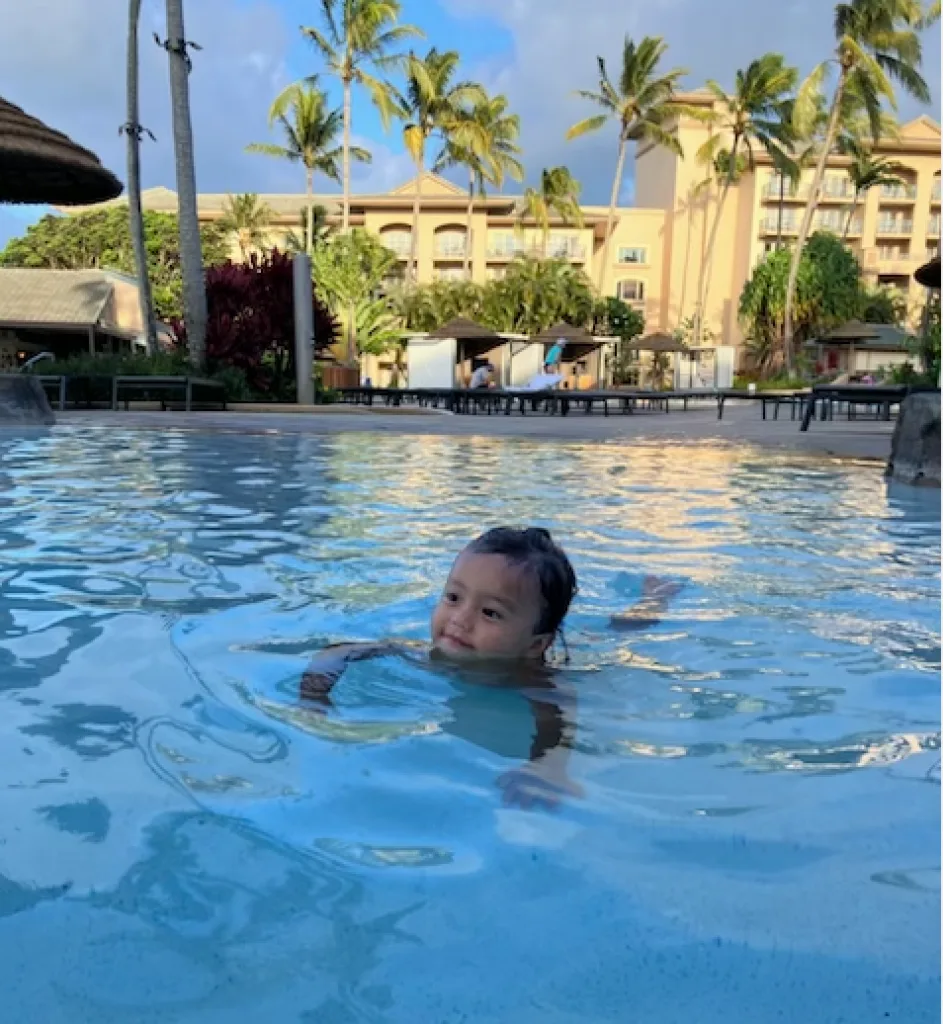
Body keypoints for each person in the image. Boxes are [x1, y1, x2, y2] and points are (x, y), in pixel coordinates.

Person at [300, 527, 680, 809]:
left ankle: (655, 600)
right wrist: (314, 700)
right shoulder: (420, 653)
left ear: (535, 645)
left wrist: (549, 768)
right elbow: (336, 653)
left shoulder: (534, 679)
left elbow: (559, 720)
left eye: (490, 613)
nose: (460, 620)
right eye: (452, 597)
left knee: (622, 630)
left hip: (578, 652)